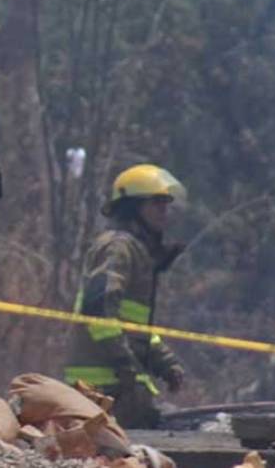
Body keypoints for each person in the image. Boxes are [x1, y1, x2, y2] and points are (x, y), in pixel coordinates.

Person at [64, 164, 187, 429]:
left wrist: (164, 361)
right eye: (157, 205)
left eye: (166, 205)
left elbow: (134, 328)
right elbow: (98, 311)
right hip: (102, 389)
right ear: (133, 207)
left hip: (118, 386)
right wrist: (125, 364)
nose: (165, 214)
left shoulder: (136, 251)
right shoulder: (118, 247)